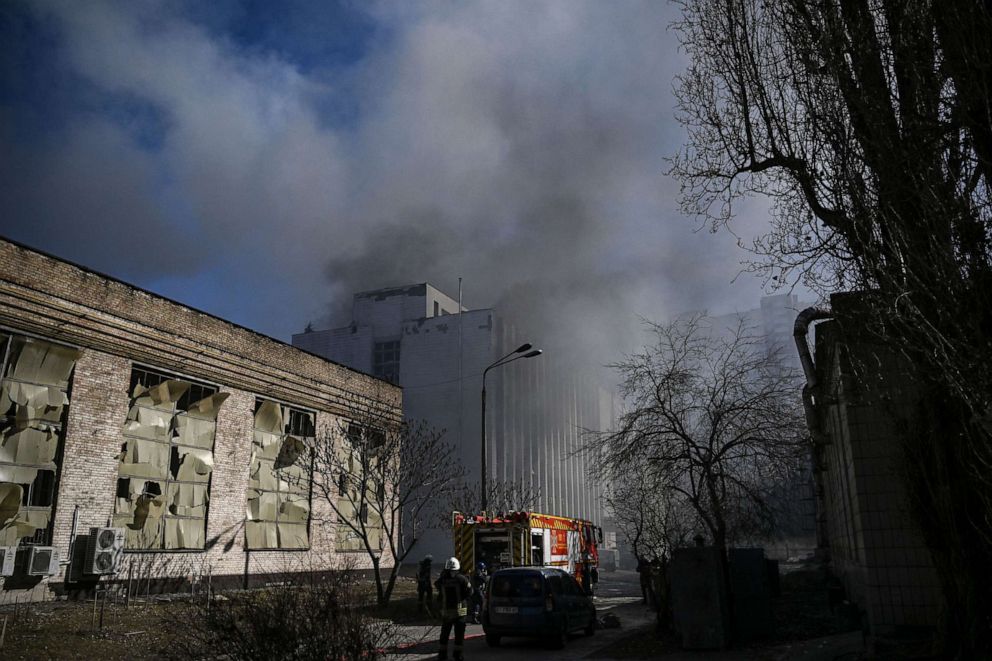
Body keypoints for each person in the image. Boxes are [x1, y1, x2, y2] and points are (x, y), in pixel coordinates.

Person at [435, 556, 473, 661]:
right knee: (459, 635)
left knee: (444, 634)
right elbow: (470, 592)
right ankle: (457, 655)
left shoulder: (442, 580)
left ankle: (442, 655)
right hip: (460, 612)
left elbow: (437, 586)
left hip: (447, 612)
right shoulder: (462, 579)